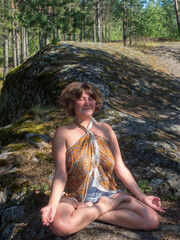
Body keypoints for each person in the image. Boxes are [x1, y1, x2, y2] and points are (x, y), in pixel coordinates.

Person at [41, 82, 166, 236]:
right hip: (74, 195)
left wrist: (142, 196)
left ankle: (92, 211)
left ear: (96, 102)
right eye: (81, 99)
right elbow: (61, 173)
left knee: (151, 219)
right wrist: (52, 204)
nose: (87, 102)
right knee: (60, 226)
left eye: (91, 98)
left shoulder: (105, 129)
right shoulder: (63, 132)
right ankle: (105, 207)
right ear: (71, 103)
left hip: (109, 193)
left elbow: (120, 167)